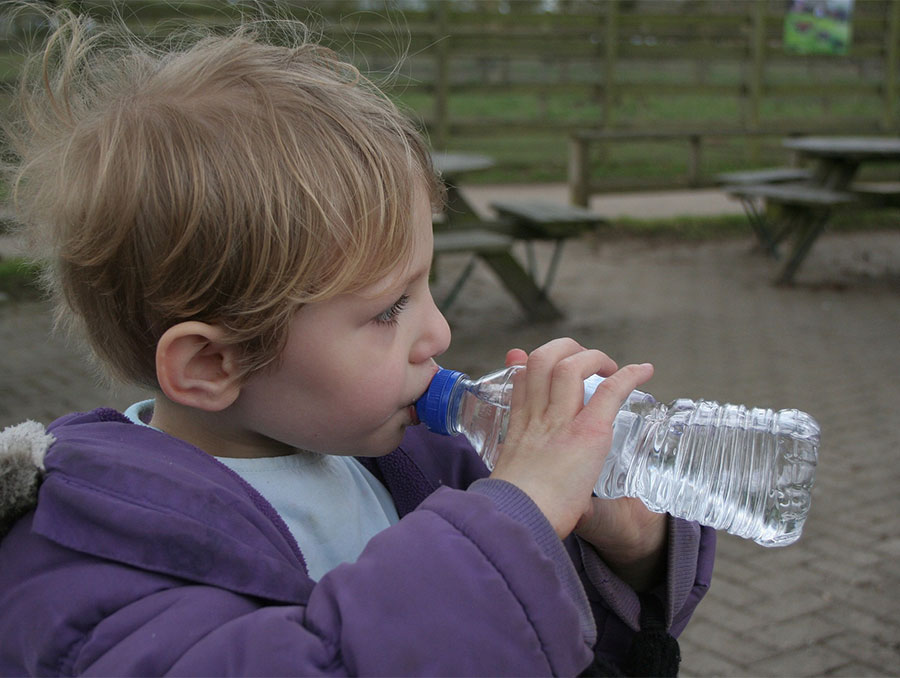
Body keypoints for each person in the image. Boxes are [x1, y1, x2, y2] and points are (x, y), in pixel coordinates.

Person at [0, 7, 714, 676]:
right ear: (214, 363)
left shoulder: (412, 461)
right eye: (387, 310)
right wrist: (512, 523)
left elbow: (557, 636)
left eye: (426, 286)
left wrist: (623, 543)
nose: (438, 332)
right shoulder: (89, 563)